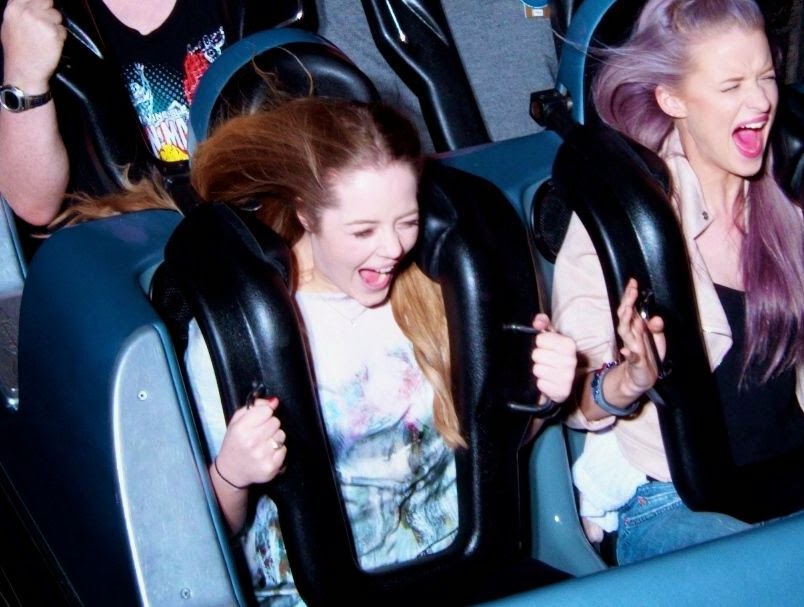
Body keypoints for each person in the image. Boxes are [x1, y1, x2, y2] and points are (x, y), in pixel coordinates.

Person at [551, 0, 804, 567]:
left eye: (766, 78)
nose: (759, 102)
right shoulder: (624, 221)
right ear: (672, 99)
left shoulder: (794, 205)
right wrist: (629, 379)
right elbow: (578, 402)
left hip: (803, 477)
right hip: (670, 499)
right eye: (731, 86)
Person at [168, 96, 577, 604]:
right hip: (312, 595)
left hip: (457, 570)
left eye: (407, 221)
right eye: (363, 230)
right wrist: (233, 473)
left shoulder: (439, 290)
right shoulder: (244, 331)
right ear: (306, 214)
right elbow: (210, 538)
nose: (392, 248)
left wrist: (541, 398)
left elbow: (489, 455)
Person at [0, 0, 225, 226]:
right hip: (133, 236)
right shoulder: (27, 15)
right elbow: (34, 206)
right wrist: (24, 78)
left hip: (241, 220)